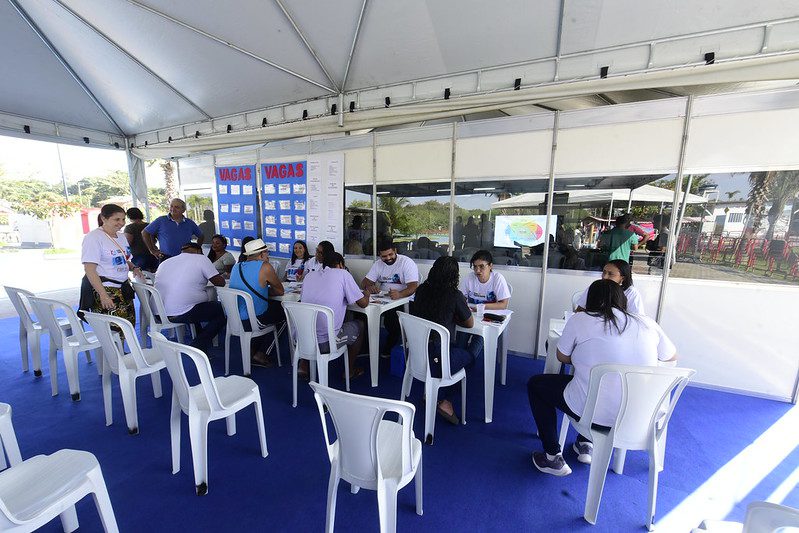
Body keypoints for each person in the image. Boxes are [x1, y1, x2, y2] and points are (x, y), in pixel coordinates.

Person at [527, 279, 677, 476]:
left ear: (590, 300)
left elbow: (561, 357)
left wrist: (586, 357)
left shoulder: (580, 320)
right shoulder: (647, 323)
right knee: (595, 386)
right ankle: (584, 443)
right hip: (639, 417)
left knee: (538, 385)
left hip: (592, 414)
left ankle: (553, 456)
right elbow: (671, 357)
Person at [411, 256, 479, 424]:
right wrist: (454, 317)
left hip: (417, 353)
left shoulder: (420, 290)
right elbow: (470, 324)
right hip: (439, 357)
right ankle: (445, 400)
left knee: (455, 349)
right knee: (470, 356)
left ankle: (430, 391)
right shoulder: (454, 295)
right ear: (454, 276)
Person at [300, 252, 369, 380]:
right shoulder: (343, 274)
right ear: (341, 265)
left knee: (324, 322)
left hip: (302, 339)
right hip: (325, 343)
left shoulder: (309, 276)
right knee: (360, 325)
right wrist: (367, 294)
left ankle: (304, 364)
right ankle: (350, 370)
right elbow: (363, 304)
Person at [155, 242, 226, 355]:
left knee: (196, 305)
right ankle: (198, 343)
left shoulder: (166, 262)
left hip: (158, 312)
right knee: (223, 310)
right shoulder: (201, 259)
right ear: (199, 251)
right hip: (182, 312)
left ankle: (199, 338)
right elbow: (220, 283)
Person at [80, 204, 141, 326]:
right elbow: (90, 270)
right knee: (113, 331)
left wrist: (134, 267)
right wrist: (103, 295)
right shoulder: (94, 238)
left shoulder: (122, 237)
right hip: (107, 290)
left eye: (123, 219)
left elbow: (125, 259)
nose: (121, 223)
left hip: (124, 288)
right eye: (116, 219)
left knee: (127, 327)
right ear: (104, 219)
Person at [229, 238, 284, 367]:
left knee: (270, 311)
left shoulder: (236, 267)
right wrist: (265, 290)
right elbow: (280, 291)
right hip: (253, 320)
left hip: (234, 319)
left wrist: (262, 290)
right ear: (262, 254)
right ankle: (262, 352)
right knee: (285, 314)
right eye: (267, 253)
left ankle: (252, 350)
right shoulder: (265, 266)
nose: (268, 255)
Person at [362, 238, 419, 354]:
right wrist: (370, 287)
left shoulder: (406, 262)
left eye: (390, 254)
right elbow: (364, 283)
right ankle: (366, 346)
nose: (388, 258)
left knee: (392, 319)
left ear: (395, 251)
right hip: (383, 299)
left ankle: (391, 346)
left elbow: (414, 286)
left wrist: (400, 294)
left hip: (405, 300)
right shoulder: (378, 264)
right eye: (384, 256)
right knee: (362, 314)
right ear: (379, 255)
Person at [574, 259, 644, 315]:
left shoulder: (631, 293)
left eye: (610, 274)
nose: (604, 276)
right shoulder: (595, 287)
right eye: (604, 272)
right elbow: (580, 310)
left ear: (622, 278)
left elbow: (637, 318)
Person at [124, 207, 158, 272]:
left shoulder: (130, 228)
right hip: (153, 254)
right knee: (154, 276)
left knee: (142, 278)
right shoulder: (149, 225)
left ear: (129, 216)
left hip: (139, 255)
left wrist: (126, 257)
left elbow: (127, 243)